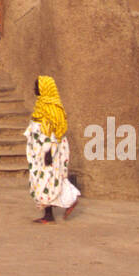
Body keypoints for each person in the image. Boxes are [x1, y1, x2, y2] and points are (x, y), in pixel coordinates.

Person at [25, 75, 80, 223]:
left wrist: (48, 152)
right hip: (41, 151)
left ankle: (70, 200)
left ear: (44, 88)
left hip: (49, 151)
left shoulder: (52, 108)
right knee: (43, 181)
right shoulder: (41, 105)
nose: (34, 89)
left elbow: (54, 132)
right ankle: (49, 214)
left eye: (37, 86)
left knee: (48, 180)